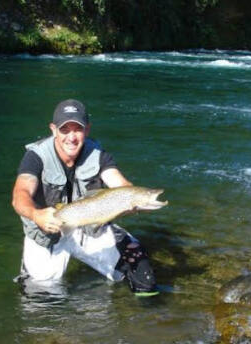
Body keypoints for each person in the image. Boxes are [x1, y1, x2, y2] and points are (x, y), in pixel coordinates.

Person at [11, 99, 158, 295]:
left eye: (77, 129)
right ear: (53, 129)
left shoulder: (99, 155)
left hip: (87, 228)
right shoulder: (35, 157)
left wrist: (136, 199)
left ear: (87, 130)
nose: (71, 137)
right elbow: (20, 195)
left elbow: (121, 185)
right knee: (40, 298)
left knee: (143, 278)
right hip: (47, 231)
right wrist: (36, 215)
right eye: (65, 129)